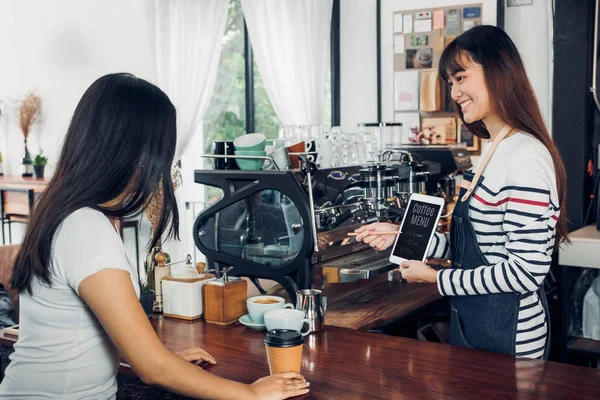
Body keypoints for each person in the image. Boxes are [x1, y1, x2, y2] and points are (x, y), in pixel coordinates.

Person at [0, 73, 309, 399]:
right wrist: (251, 394)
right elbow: (151, 369)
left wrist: (158, 357)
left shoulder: (63, 210)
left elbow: (75, 336)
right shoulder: (86, 227)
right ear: (135, 151)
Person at [355, 25, 568, 360]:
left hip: (512, 342)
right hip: (476, 329)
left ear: (499, 70)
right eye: (450, 82)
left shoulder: (526, 156)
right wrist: (401, 235)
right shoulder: (495, 150)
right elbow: (477, 248)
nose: (454, 92)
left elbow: (526, 272)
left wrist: (438, 279)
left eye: (461, 77)